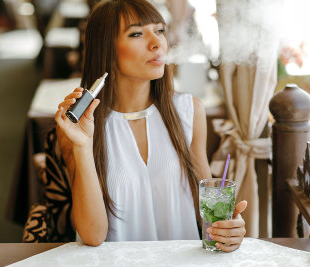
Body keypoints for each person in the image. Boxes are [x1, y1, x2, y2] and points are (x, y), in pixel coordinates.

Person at [55, 0, 247, 252]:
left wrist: (229, 229)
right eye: (136, 33)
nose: (157, 43)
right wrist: (81, 146)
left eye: (159, 30)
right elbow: (92, 235)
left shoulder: (189, 111)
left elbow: (207, 211)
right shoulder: (80, 128)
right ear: (106, 49)